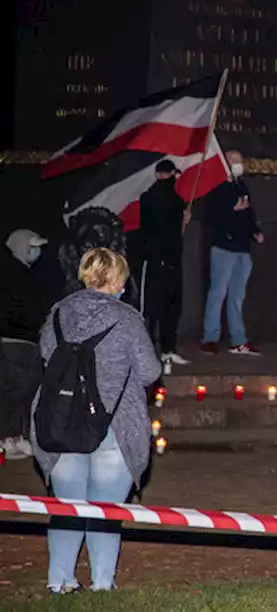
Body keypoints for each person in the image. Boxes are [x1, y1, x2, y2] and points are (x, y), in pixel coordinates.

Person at [30, 248, 163, 594]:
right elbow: (150, 372)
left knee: (66, 505)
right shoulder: (128, 319)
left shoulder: (59, 312)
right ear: (119, 280)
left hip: (61, 420)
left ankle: (60, 581)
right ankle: (102, 583)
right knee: (105, 508)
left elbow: (46, 357)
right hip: (113, 424)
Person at [201, 150, 263, 356]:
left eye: (241, 160)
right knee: (217, 294)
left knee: (237, 297)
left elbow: (249, 212)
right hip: (223, 248)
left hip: (242, 249)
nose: (240, 164)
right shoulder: (218, 187)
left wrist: (255, 230)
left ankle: (238, 340)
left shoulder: (241, 185)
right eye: (236, 161)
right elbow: (210, 216)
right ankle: (210, 338)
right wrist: (231, 210)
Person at [1, 229, 52, 460]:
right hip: (14, 340)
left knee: (28, 390)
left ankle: (19, 436)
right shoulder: (10, 275)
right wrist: (34, 323)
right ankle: (6, 437)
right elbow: (14, 312)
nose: (36, 252)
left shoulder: (26, 273)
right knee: (13, 391)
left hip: (29, 341)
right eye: (32, 247)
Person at [138, 160, 193, 366]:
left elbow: (173, 234)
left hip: (162, 260)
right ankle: (162, 349)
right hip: (162, 261)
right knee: (162, 307)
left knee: (164, 307)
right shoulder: (170, 201)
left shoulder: (153, 199)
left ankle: (162, 350)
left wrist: (182, 221)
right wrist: (182, 218)